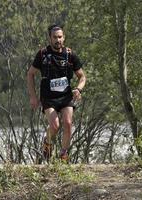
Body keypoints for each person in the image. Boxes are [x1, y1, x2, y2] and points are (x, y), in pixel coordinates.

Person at [27, 24, 86, 162]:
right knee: (55, 126)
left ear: (63, 37)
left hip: (65, 96)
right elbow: (30, 74)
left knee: (68, 123)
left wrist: (78, 89)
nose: (57, 40)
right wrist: (33, 97)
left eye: (60, 37)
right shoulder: (42, 54)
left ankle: (63, 154)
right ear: (50, 38)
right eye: (55, 37)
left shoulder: (70, 55)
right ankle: (47, 142)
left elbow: (82, 77)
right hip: (49, 96)